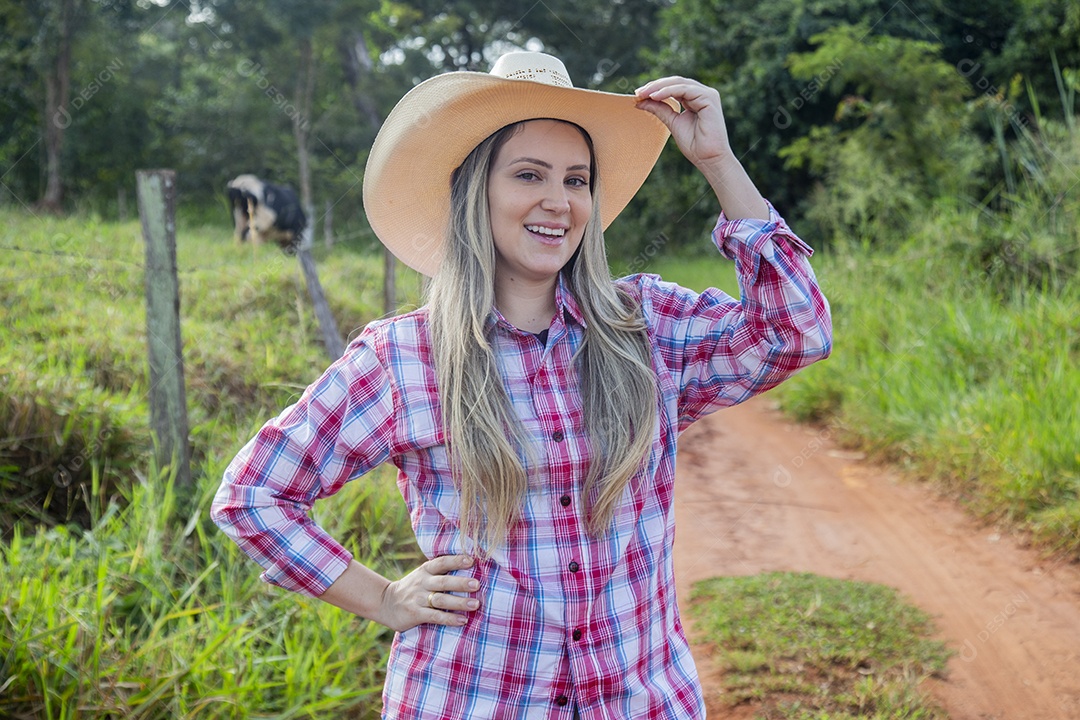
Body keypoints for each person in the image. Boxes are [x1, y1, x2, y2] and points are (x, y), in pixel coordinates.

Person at [212, 51, 832, 719]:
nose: (557, 202)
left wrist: (719, 163)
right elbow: (254, 495)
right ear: (474, 188)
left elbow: (795, 334)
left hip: (640, 703)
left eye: (576, 179)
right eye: (528, 174)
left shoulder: (644, 326)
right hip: (472, 700)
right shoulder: (405, 358)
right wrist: (383, 599)